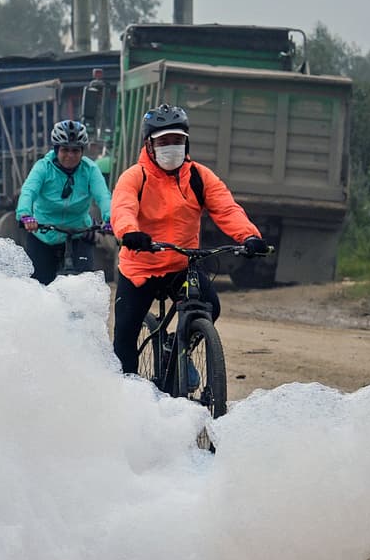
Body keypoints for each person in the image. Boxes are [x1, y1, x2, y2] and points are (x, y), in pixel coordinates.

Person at [109, 104, 269, 374]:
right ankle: (128, 394)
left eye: (177, 140)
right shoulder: (135, 176)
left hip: (181, 266)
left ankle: (176, 347)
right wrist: (129, 233)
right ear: (149, 145)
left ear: (186, 142)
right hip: (140, 268)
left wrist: (250, 236)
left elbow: (226, 209)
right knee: (124, 338)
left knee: (210, 307)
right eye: (163, 142)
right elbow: (123, 207)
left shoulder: (199, 176)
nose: (171, 147)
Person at [15, 119, 113, 285]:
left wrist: (110, 218)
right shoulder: (43, 167)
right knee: (39, 286)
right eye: (65, 150)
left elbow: (103, 196)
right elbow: (28, 191)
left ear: (82, 151)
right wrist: (25, 215)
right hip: (44, 235)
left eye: (75, 150)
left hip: (78, 233)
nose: (70, 155)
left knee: (84, 284)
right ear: (56, 149)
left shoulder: (90, 169)